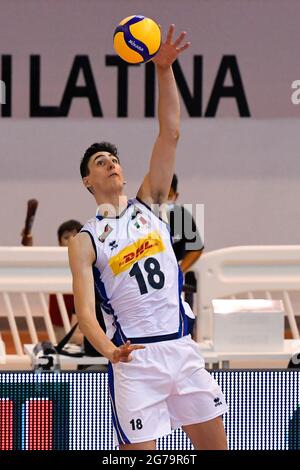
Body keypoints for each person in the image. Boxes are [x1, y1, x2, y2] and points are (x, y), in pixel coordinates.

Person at [69, 25, 228, 451]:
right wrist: (109, 350)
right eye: (101, 162)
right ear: (88, 180)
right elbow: (85, 312)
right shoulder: (85, 239)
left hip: (180, 350)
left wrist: (163, 69)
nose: (111, 165)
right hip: (135, 361)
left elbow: (170, 132)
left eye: (115, 159)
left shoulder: (149, 203)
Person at [166, 174, 204, 312]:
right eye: (159, 195)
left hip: (178, 284)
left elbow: (196, 248)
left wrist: (179, 272)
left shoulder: (181, 216)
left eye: (168, 195)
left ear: (175, 196)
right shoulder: (141, 217)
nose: (163, 200)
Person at [48, 220, 84, 344]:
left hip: (81, 309)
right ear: (59, 242)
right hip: (59, 310)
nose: (71, 240)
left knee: (81, 343)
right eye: (66, 237)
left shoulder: (89, 258)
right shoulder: (53, 259)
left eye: (75, 236)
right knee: (61, 343)